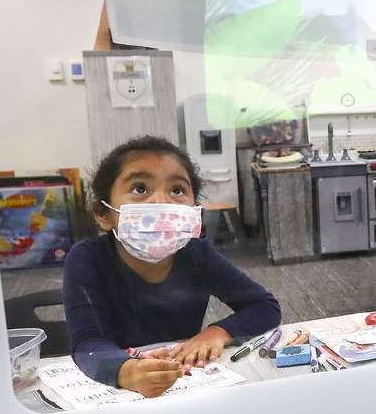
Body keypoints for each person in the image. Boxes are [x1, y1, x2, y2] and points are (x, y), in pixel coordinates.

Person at [63, 136, 281, 398]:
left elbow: (264, 306)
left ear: (194, 208)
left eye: (177, 190)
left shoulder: (197, 253)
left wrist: (216, 333)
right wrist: (126, 370)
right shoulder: (87, 259)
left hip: (182, 382)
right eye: (140, 188)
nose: (161, 201)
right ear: (103, 212)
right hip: (117, 392)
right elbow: (87, 343)